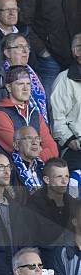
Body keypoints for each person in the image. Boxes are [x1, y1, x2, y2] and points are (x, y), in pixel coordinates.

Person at [17, 0, 81, 96]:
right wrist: (43, 51)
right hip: (48, 60)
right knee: (47, 100)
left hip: (72, 56)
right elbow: (23, 23)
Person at [0, 65, 58, 161]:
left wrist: (36, 155)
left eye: (28, 84)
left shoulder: (35, 114)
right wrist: (41, 152)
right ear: (9, 87)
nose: (25, 88)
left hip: (38, 170)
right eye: (20, 84)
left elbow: (53, 150)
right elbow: (19, 151)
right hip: (14, 172)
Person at [0, 33, 47, 124]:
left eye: (27, 47)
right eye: (20, 47)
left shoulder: (34, 77)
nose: (25, 51)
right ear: (7, 53)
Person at [28, 158, 74, 260]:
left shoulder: (70, 201)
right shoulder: (34, 204)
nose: (64, 181)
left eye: (67, 176)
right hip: (45, 260)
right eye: (59, 177)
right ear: (47, 180)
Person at [51, 33, 81, 171]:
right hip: (76, 151)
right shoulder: (64, 80)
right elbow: (56, 118)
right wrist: (69, 141)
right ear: (77, 51)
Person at [12, 126, 45, 193]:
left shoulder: (43, 167)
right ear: (16, 145)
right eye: (29, 138)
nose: (34, 142)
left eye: (37, 138)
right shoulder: (10, 169)